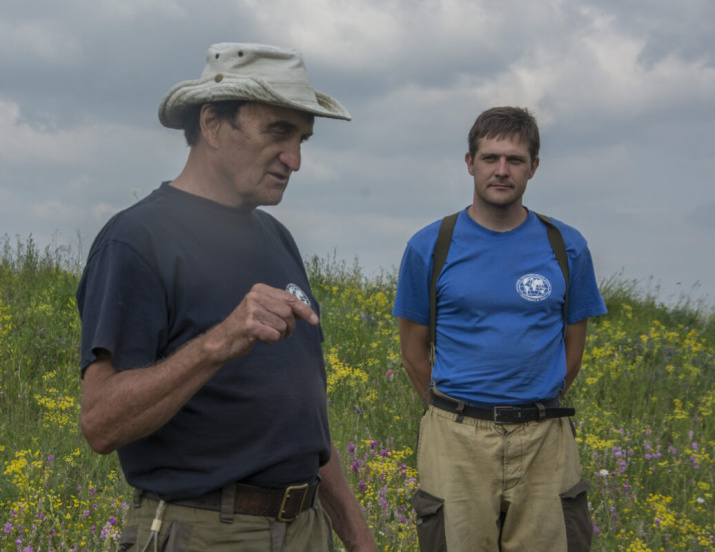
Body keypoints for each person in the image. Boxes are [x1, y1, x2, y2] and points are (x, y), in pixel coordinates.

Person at [77, 42, 377, 552]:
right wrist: (218, 342)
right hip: (208, 531)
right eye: (278, 132)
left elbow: (307, 425)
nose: (295, 159)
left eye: (303, 138)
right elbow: (101, 423)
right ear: (213, 124)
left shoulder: (277, 239)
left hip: (306, 530)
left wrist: (358, 538)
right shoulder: (138, 240)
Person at [393, 106, 607, 552]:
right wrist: (453, 413)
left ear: (534, 168)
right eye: (490, 158)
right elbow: (413, 352)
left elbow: (574, 347)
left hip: (545, 437)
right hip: (455, 438)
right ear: (470, 163)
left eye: (515, 160)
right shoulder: (429, 246)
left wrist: (533, 404)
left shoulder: (566, 245)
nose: (502, 171)